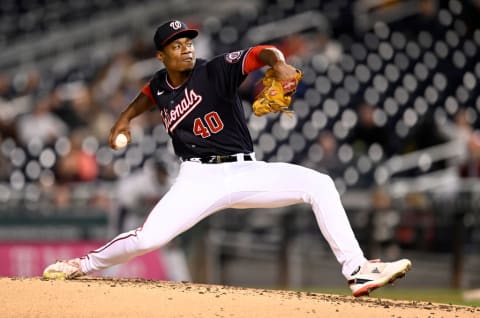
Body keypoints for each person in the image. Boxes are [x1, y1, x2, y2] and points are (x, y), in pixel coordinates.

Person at [43, 19, 411, 297]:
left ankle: (357, 270)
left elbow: (259, 54)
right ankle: (82, 265)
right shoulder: (159, 83)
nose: (185, 48)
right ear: (161, 56)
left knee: (320, 184)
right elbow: (148, 94)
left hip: (244, 170)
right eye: (176, 45)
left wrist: (279, 64)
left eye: (187, 41)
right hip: (196, 179)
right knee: (147, 239)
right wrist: (124, 119)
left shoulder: (214, 69)